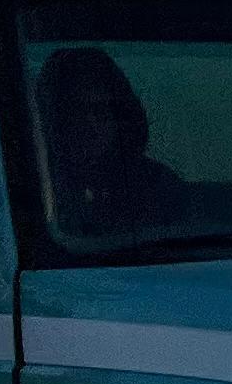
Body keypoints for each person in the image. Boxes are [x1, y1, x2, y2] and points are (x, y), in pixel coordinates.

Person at [34, 48, 185, 242]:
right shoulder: (35, 188)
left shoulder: (156, 186)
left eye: (100, 111)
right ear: (53, 119)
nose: (91, 125)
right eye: (76, 112)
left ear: (120, 117)